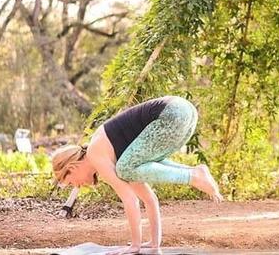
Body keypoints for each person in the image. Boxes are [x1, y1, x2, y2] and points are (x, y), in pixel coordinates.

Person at [51, 95, 223, 254]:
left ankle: (193, 175)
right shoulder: (118, 156)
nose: (77, 186)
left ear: (72, 168)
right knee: (129, 168)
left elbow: (130, 199)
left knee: (124, 169)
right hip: (185, 113)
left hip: (172, 114)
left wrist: (134, 246)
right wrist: (153, 244)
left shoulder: (95, 154)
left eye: (71, 182)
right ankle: (193, 173)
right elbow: (149, 199)